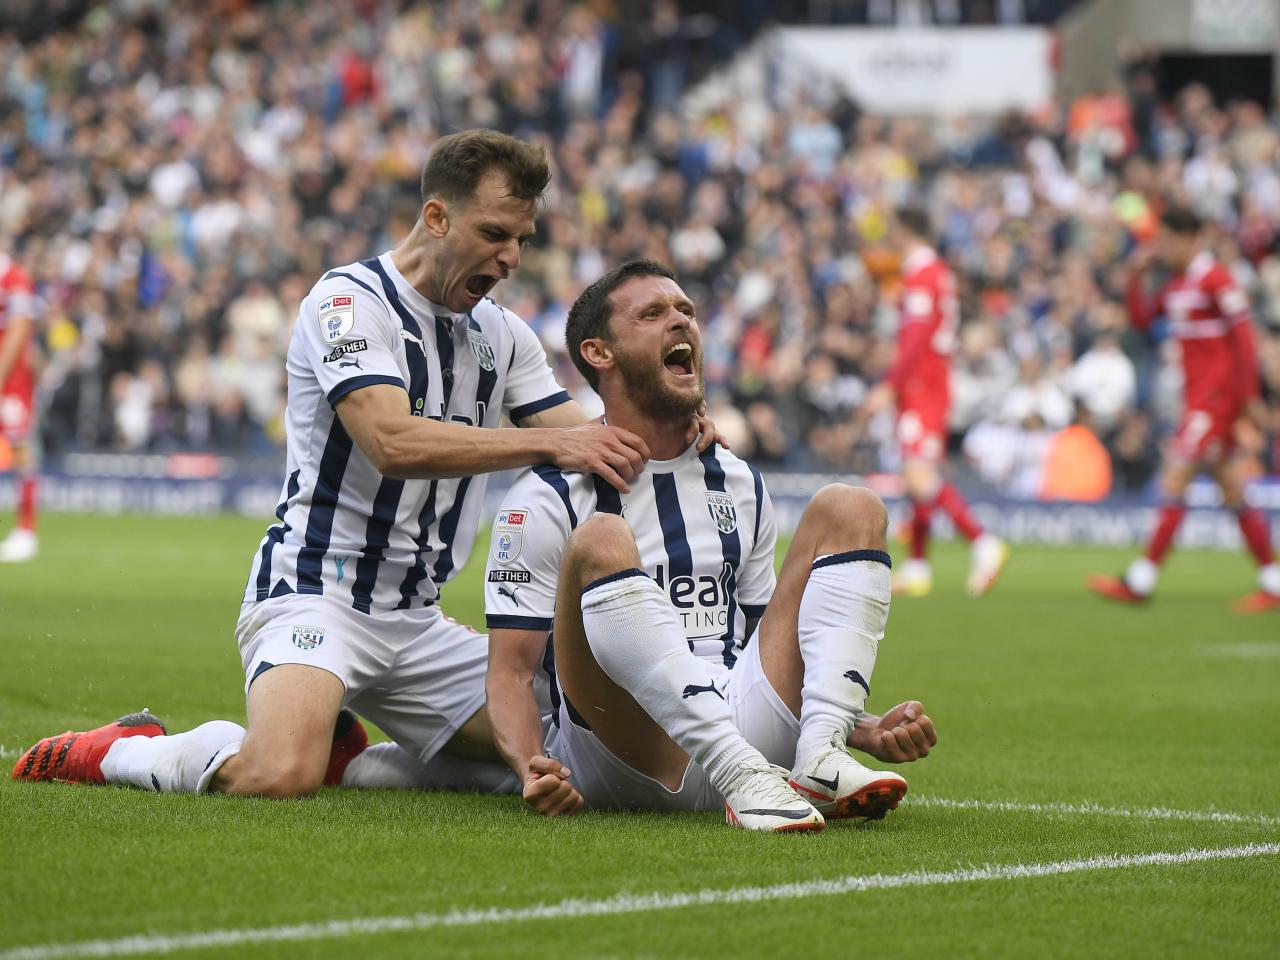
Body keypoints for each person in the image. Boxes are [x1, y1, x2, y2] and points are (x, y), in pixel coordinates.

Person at [12, 130, 719, 795]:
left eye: (522, 240)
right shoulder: (348, 302)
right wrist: (553, 444)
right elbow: (392, 442)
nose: (509, 258)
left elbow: (593, 438)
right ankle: (120, 749)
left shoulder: (501, 335)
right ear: (437, 218)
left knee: (569, 748)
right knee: (280, 773)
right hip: (316, 591)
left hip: (418, 620)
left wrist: (673, 434)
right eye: (494, 234)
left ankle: (358, 759)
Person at [483, 260, 936, 832]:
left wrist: (860, 722)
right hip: (625, 748)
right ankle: (741, 773)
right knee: (601, 535)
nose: (681, 322)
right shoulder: (545, 496)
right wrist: (529, 764)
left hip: (740, 717)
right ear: (601, 353)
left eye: (687, 312)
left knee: (853, 505)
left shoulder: (739, 481)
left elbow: (761, 640)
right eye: (653, 314)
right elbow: (510, 672)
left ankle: (822, 753)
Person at [1087, 207, 1279, 613]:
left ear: (1190, 238)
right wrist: (1137, 276)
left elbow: (1244, 342)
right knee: (1232, 489)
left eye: (1168, 240)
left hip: (1215, 400)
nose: (1162, 248)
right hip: (1197, 398)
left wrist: (1247, 401)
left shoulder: (1216, 280)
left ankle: (1141, 580)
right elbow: (1142, 320)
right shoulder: (1176, 284)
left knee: (1175, 477)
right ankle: (1273, 580)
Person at [857, 206, 1007, 597]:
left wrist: (890, 384)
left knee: (920, 476)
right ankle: (919, 566)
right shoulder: (936, 273)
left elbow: (917, 338)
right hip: (928, 383)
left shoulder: (922, 274)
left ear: (905, 231)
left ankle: (983, 543)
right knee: (912, 474)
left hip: (923, 386)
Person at [0, 249, 39, 563]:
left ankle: (26, 531)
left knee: (19, 445)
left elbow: (19, 328)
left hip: (10, 381)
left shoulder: (14, 277)